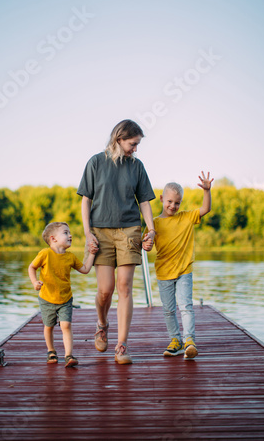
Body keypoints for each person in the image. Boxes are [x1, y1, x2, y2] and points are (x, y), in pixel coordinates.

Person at [77, 119, 156, 365]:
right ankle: (102, 324)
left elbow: (144, 201)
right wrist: (87, 233)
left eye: (137, 144)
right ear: (119, 139)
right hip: (100, 231)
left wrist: (151, 229)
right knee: (105, 290)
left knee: (124, 287)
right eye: (133, 144)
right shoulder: (95, 162)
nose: (135, 149)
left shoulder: (137, 166)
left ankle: (121, 346)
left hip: (129, 230)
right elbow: (86, 201)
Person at [146, 172, 213, 359]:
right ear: (161, 199)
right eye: (169, 202)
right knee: (168, 310)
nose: (173, 206)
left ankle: (189, 340)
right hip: (164, 272)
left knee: (186, 306)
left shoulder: (186, 217)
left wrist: (207, 191)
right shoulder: (154, 224)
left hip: (184, 271)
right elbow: (147, 244)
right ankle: (175, 340)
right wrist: (146, 243)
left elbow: (205, 209)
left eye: (177, 203)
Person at [28, 222, 96, 367]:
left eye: (69, 232)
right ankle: (51, 351)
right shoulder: (45, 254)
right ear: (53, 238)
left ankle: (69, 355)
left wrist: (91, 254)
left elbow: (85, 269)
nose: (70, 235)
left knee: (66, 325)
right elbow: (32, 267)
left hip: (65, 298)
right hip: (47, 298)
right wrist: (34, 282)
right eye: (65, 233)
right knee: (49, 326)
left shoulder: (70, 257)